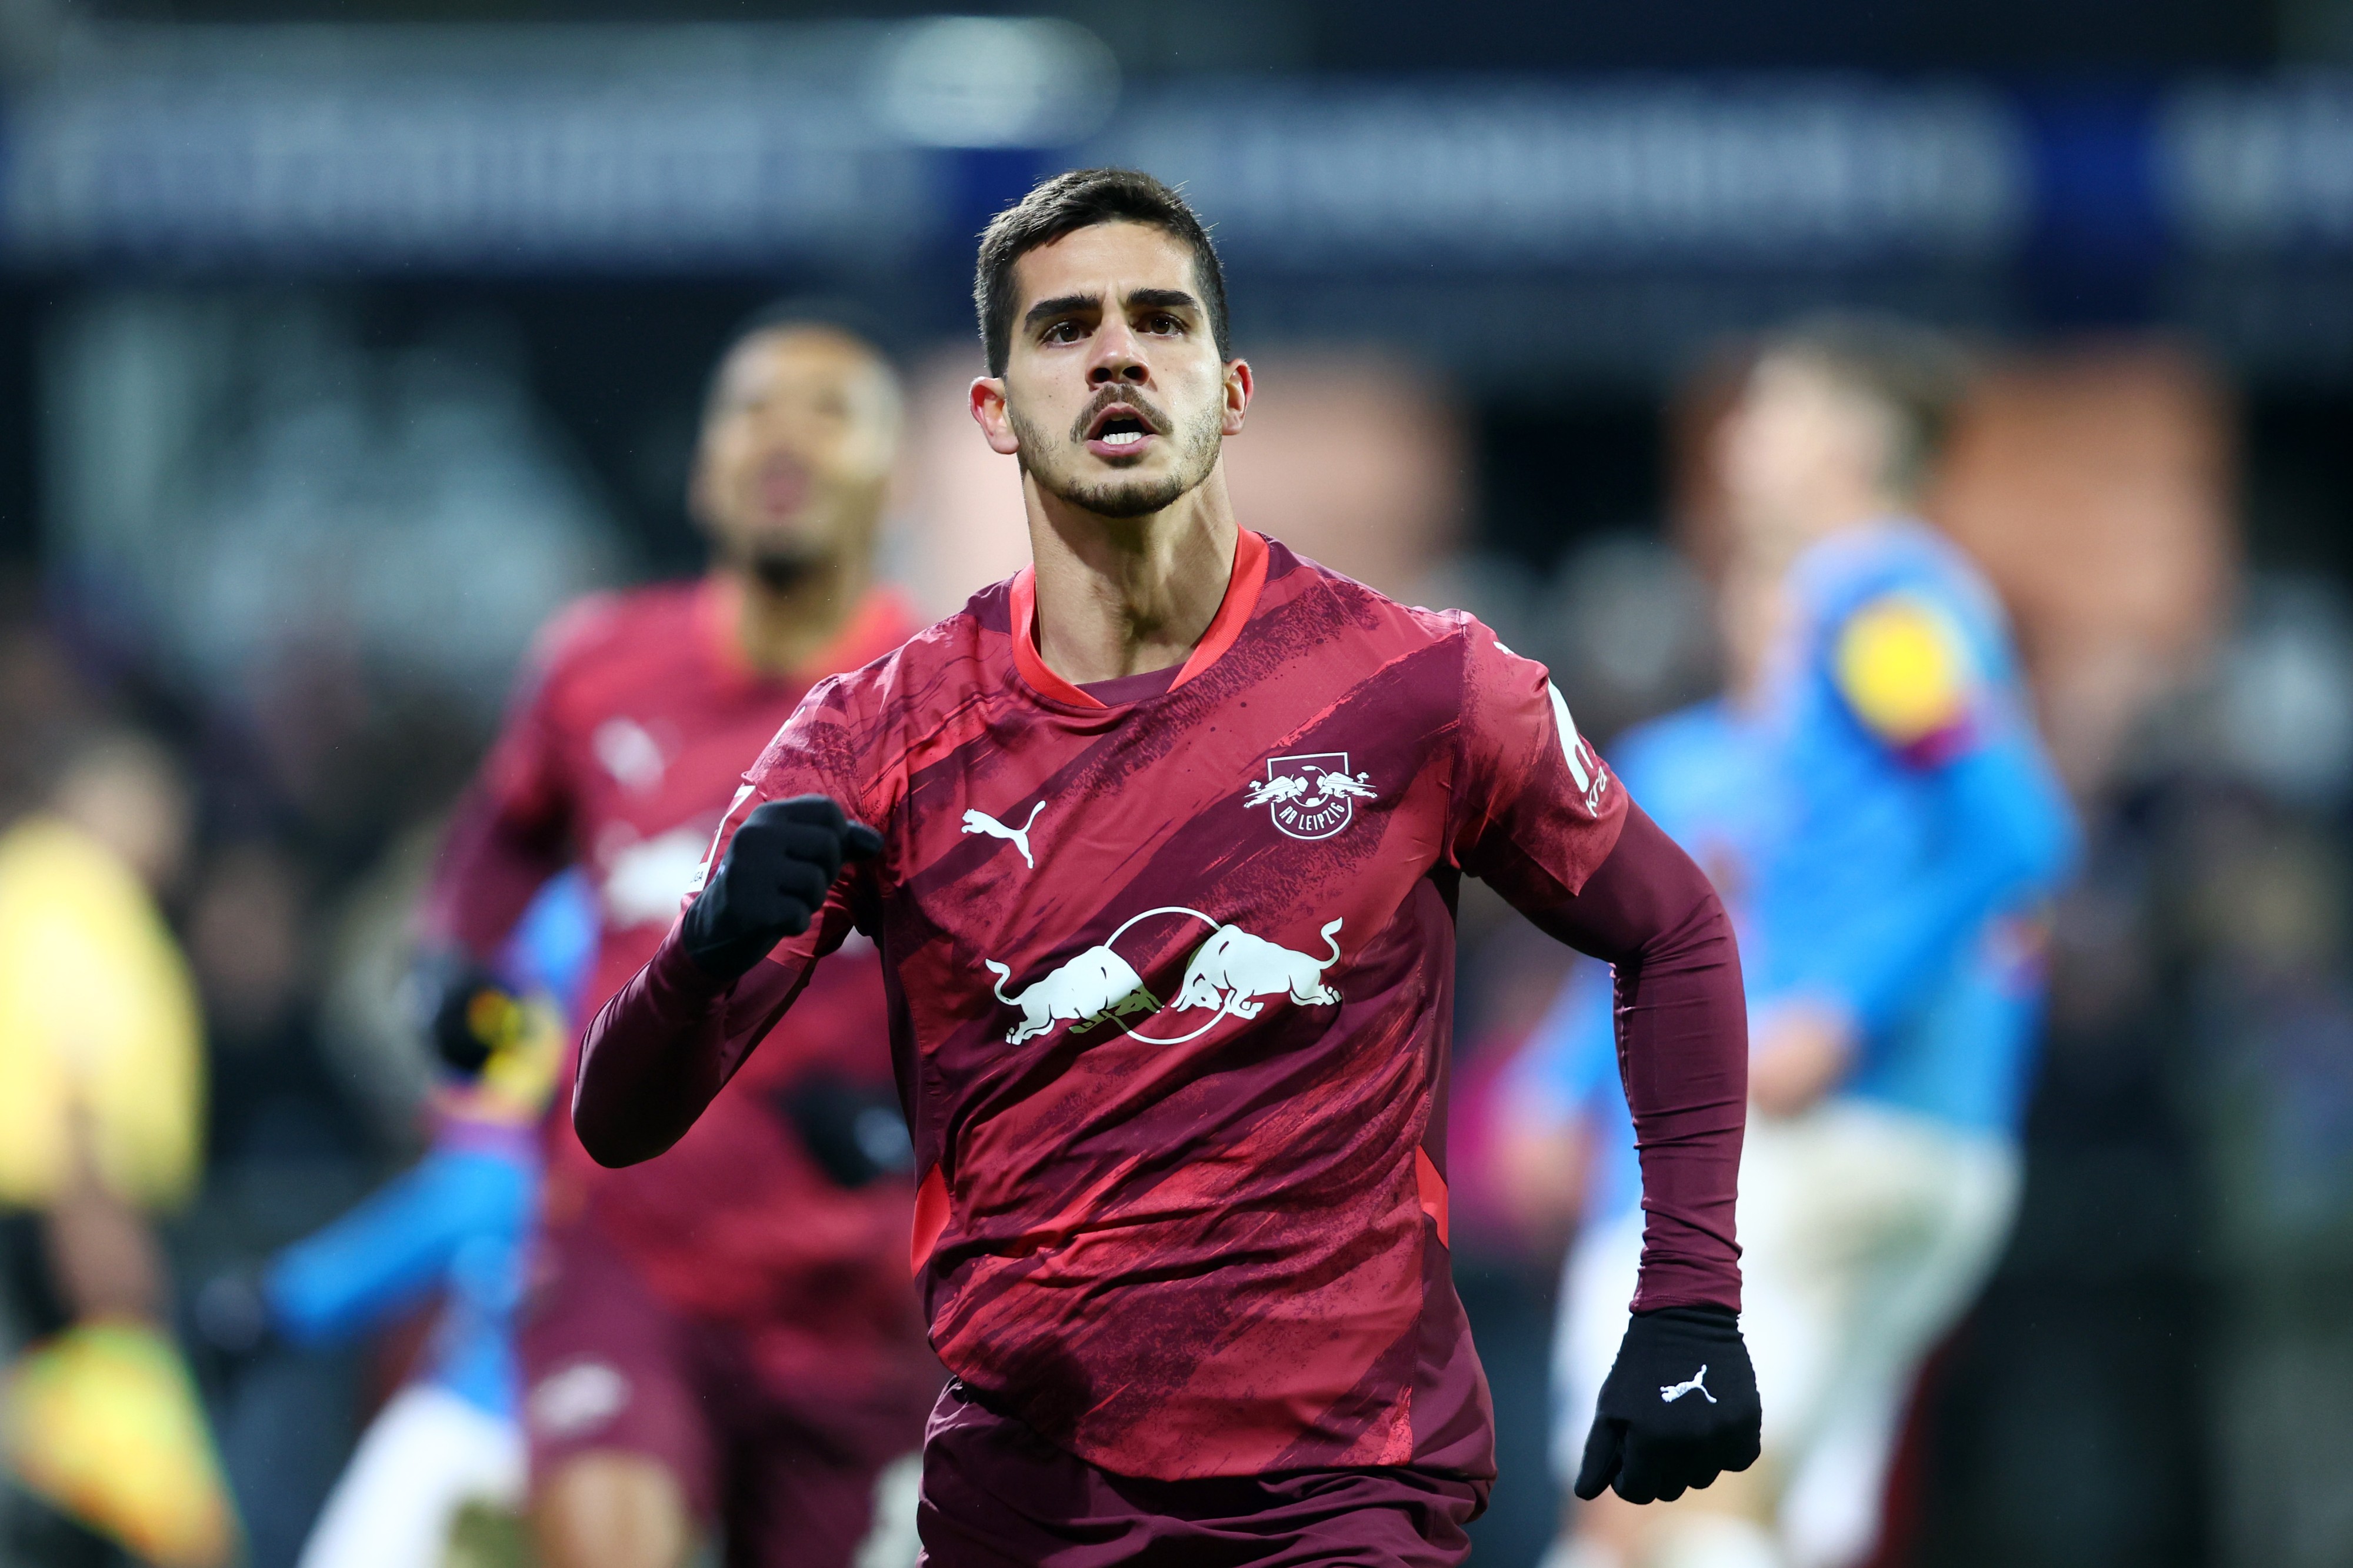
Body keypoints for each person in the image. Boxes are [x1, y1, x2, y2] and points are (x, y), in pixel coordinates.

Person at [572, 167, 1760, 1566]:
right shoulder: (871, 734)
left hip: (1345, 1488)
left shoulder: (1422, 685)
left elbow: (1672, 928)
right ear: (994, 412)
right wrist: (702, 953)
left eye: (1159, 318)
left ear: (1231, 387)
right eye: (1065, 327)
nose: (1117, 351)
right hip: (1026, 1493)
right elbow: (621, 1121)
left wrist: (1687, 1300)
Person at [414, 308, 937, 1568]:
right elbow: (476, 894)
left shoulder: (954, 699)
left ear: (894, 475)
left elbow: (1036, 981)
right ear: (703, 467)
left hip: (856, 1300)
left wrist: (914, 1129)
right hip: (623, 1260)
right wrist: (464, 1016)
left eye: (829, 412)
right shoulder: (594, 669)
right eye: (753, 407)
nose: (785, 439)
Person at [1554, 319, 2079, 1568]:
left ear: (1845, 439)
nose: (1737, 438)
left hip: (1845, 1119)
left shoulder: (1872, 597)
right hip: (1936, 1138)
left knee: (1651, 1501)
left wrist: (1837, 1005)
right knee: (1747, 1512)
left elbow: (2016, 830)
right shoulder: (1893, 606)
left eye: (1768, 411)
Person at [0, 731, 238, 1568]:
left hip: (54, 1228)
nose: (174, 833)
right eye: (161, 805)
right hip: (67, 1233)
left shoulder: (29, 885)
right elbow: (74, 1070)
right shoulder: (77, 894)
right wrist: (103, 1245)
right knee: (173, 1522)